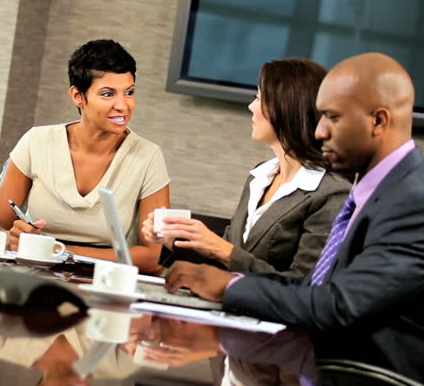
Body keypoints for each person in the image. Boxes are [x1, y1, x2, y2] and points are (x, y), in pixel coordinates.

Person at [165, 53, 424, 386]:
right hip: (318, 374)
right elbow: (318, 291)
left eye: (332, 118)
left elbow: (339, 306)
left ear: (378, 121)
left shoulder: (415, 203)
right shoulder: (381, 192)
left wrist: (230, 286)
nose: (318, 131)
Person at [143, 58, 350, 278]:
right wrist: (176, 240)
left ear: (286, 107)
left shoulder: (332, 194)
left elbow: (303, 286)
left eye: (259, 98)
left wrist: (223, 249)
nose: (251, 106)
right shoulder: (261, 176)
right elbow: (225, 265)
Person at [0, 39, 170, 272]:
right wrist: (9, 237)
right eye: (108, 94)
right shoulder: (37, 141)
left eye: (129, 92)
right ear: (78, 96)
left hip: (104, 283)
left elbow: (156, 256)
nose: (123, 105)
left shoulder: (148, 157)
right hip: (30, 278)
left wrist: (59, 250)